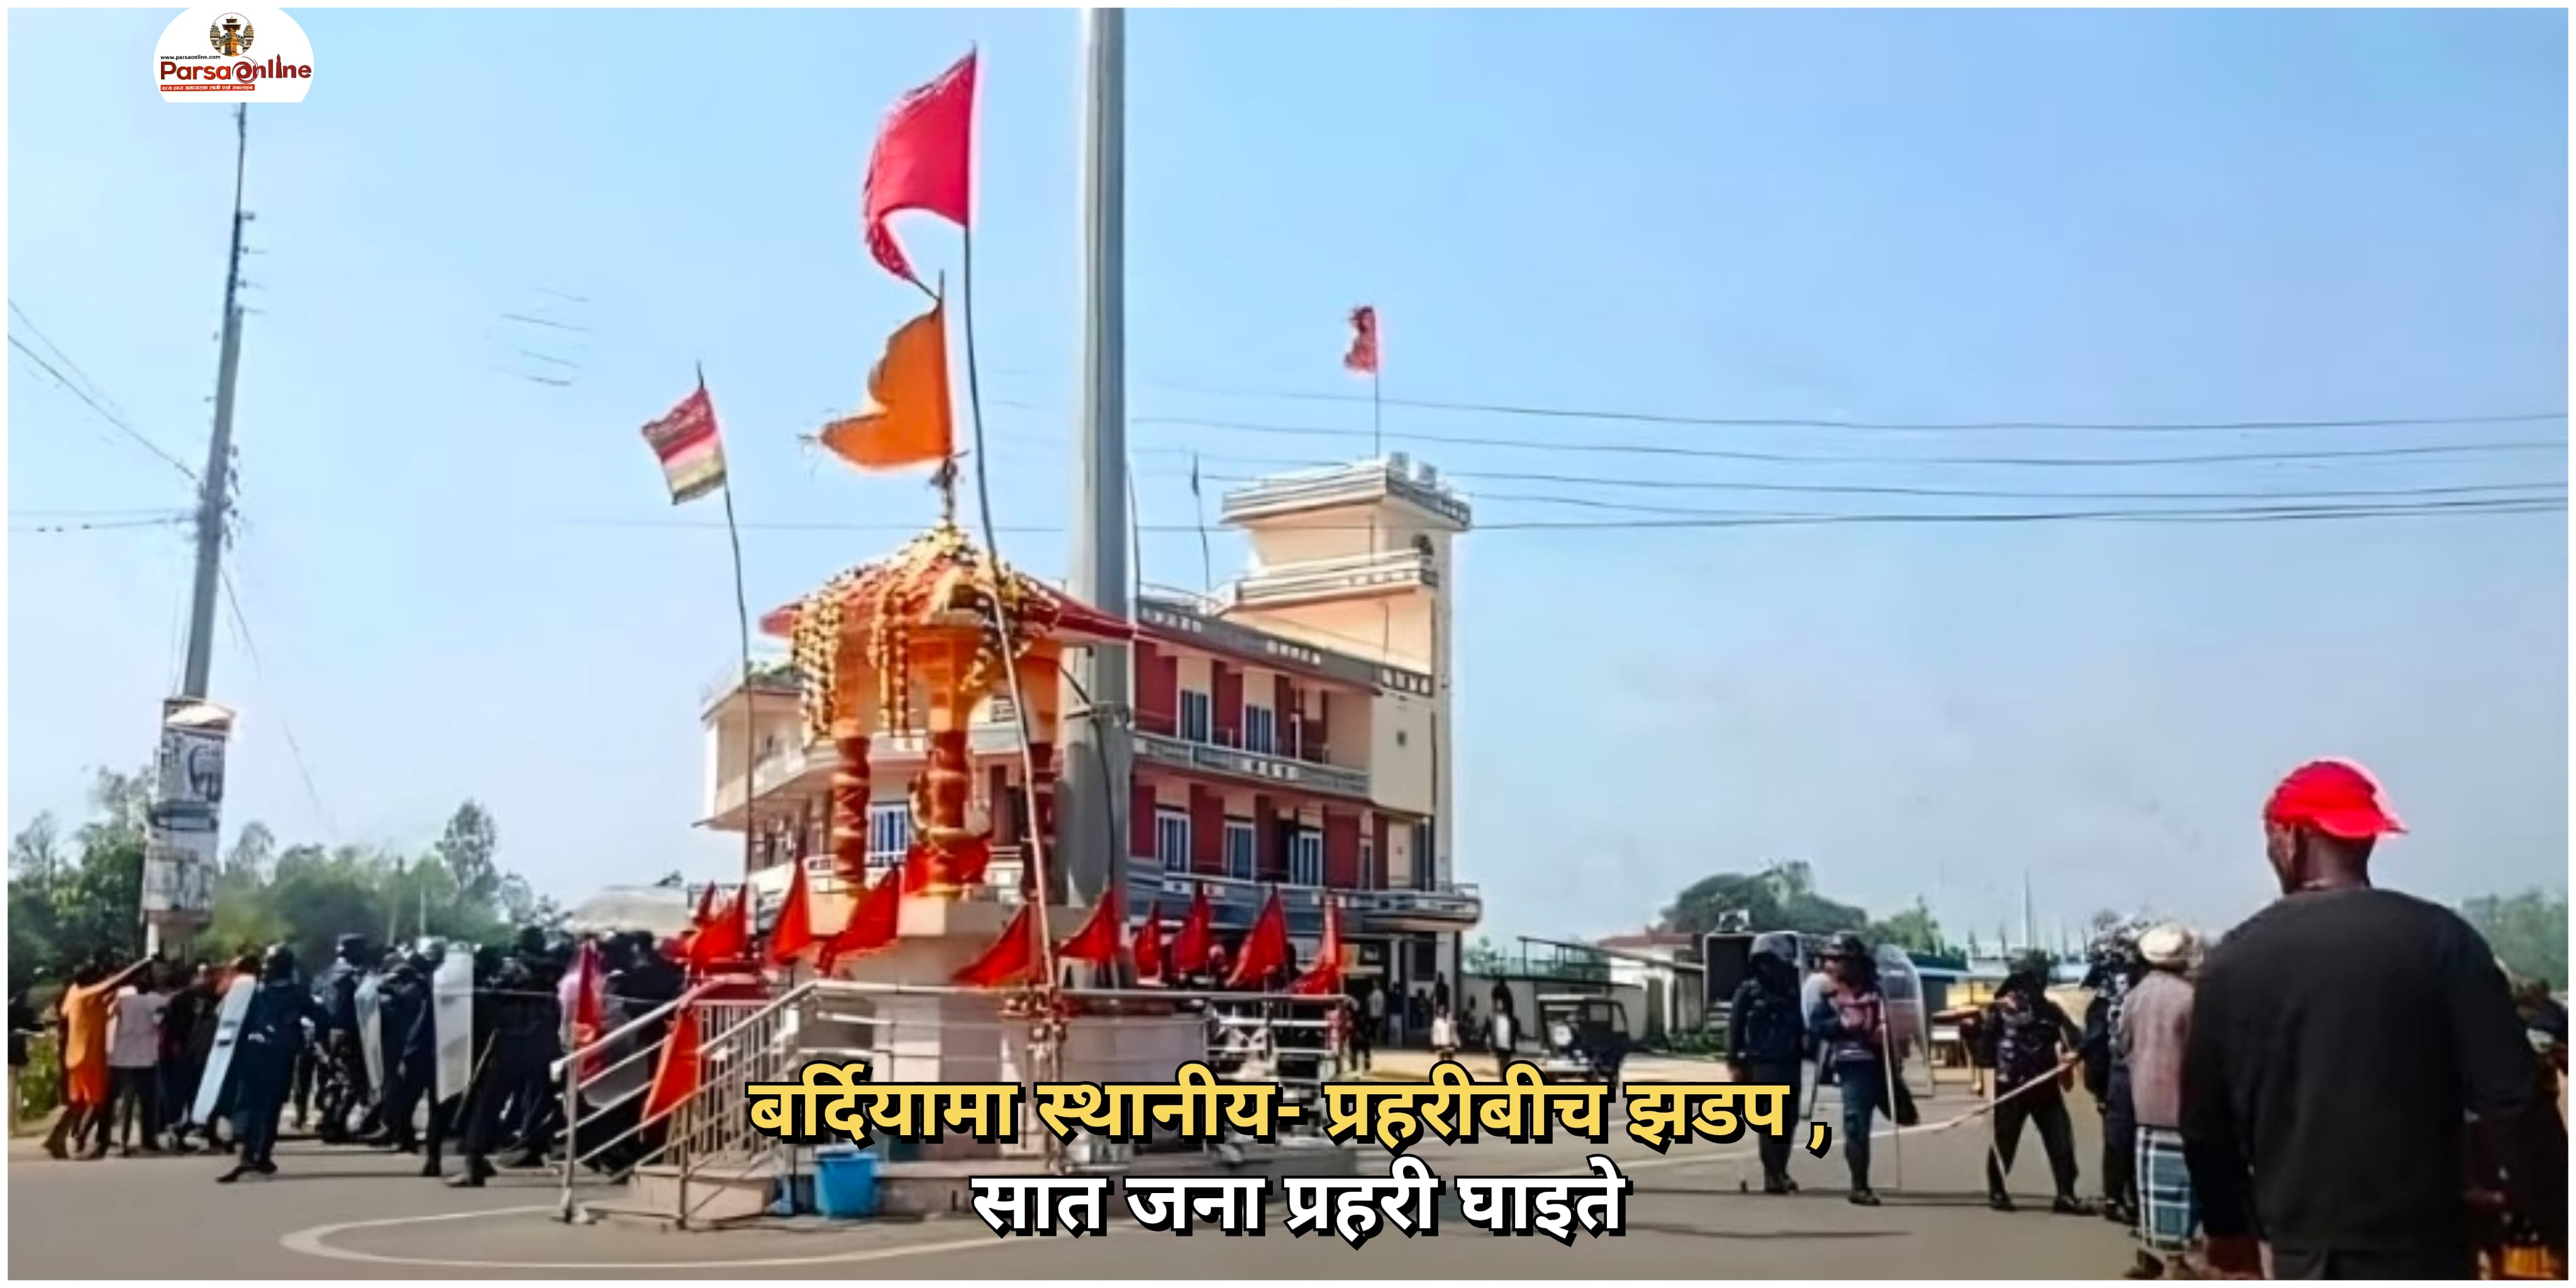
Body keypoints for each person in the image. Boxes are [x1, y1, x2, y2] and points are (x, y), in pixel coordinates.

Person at [2182, 760, 2545, 1279]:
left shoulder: (2233, 961)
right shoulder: (2443, 939)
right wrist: (2552, 1217)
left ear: (2291, 838)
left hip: (2303, 1253)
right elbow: (2514, 1098)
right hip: (2429, 1249)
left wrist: (2226, 1232)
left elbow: (2205, 1127)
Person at [2119, 923, 2199, 1280]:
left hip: (2146, 1105)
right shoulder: (2191, 997)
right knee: (2188, 1189)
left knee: (2159, 1191)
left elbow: (2121, 1044)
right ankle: (2183, 1262)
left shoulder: (2135, 997)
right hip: (2186, 1108)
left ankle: (2170, 1259)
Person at [1980, 950, 2085, 1214]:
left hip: (2044, 1085)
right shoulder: (1998, 1013)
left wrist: (2071, 1055)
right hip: (2011, 1085)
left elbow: (2076, 1039)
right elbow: (1985, 1053)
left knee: (2060, 1140)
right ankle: (1997, 1191)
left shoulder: (2051, 1012)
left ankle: (2066, 1194)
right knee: (2005, 1139)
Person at [221, 943, 324, 1182]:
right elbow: (322, 1018)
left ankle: (253, 1154)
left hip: (262, 1054)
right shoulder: (292, 993)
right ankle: (258, 1154)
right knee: (268, 1105)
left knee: (259, 1105)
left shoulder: (260, 992)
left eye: (270, 964)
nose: (266, 968)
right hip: (275, 1055)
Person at [1807, 931, 1890, 1206]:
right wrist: (1842, 1025)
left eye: (1837, 959)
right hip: (1849, 1063)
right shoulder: (1828, 995)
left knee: (1890, 1112)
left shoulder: (1876, 991)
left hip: (1878, 1062)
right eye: (1829, 959)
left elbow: (1901, 1021)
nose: (1830, 965)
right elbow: (1816, 1028)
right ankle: (1859, 1185)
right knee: (1856, 1123)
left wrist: (1886, 1031)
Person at [48, 957, 150, 1160]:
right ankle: (82, 1142)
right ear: (89, 980)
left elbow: (91, 1007)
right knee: (98, 1103)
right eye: (97, 977)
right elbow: (116, 982)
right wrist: (143, 964)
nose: (101, 980)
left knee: (78, 1103)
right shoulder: (87, 993)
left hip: (76, 1056)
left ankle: (57, 1138)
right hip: (89, 1058)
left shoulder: (74, 992)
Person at [1729, 931, 1806, 1194]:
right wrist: (1734, 1063)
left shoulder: (1795, 990)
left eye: (1771, 962)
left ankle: (1780, 1170)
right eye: (1762, 963)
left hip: (1790, 1061)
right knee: (1770, 1121)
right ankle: (1773, 1175)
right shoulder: (1748, 992)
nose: (1766, 968)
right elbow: (1735, 1029)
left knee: (1789, 1120)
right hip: (1760, 1064)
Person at [2080, 928, 2143, 1226]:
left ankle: (2118, 1198)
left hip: (2118, 1080)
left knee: (2118, 1140)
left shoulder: (2103, 1007)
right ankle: (2123, 1198)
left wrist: (2097, 1090)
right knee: (2125, 1140)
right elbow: (2095, 1049)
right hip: (2124, 1079)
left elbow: (2094, 1049)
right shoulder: (2122, 1003)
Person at [105, 962, 171, 1154]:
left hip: (121, 1059)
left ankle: (121, 1140)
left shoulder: (120, 1001)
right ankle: (149, 1139)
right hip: (146, 1059)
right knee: (148, 1103)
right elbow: (169, 1005)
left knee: (122, 1103)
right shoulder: (153, 1000)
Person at [160, 963, 216, 1152]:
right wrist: (178, 1050)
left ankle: (189, 1132)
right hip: (182, 1056)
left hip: (198, 1055)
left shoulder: (207, 999)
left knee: (194, 1095)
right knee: (180, 1095)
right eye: (203, 976)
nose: (207, 980)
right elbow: (174, 1028)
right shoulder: (181, 1000)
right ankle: (176, 1133)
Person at [8, 984, 38, 1137]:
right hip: (13, 1056)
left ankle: (11, 1127)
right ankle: (11, 1128)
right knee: (11, 1093)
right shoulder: (25, 1012)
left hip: (12, 1055)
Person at [1490, 1001, 1517, 1077]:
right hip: (1500, 1046)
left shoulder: (1512, 1020)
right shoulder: (1496, 1020)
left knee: (1506, 1065)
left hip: (1507, 1046)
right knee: (1502, 1066)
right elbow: (1493, 1034)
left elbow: (1515, 1033)